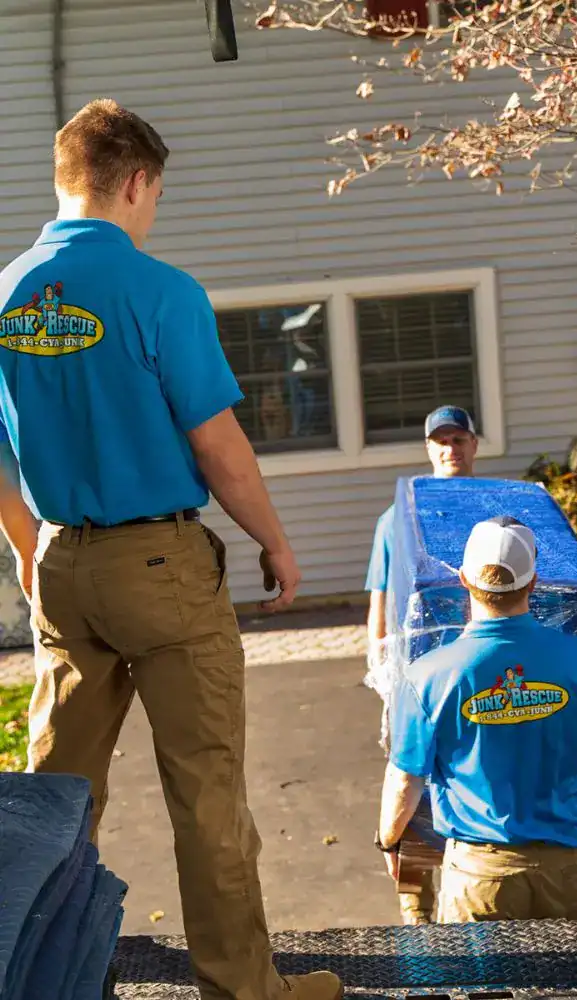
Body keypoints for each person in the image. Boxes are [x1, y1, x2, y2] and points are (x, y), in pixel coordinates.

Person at [0, 100, 342, 1000]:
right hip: (161, 568)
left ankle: (40, 981)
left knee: (54, 796)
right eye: (156, 196)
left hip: (61, 564)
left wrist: (31, 551)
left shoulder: (5, 294)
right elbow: (219, 447)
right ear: (137, 183)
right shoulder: (160, 292)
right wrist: (275, 542)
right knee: (205, 792)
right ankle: (242, 989)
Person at [376, 515, 577, 923]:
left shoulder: (427, 676)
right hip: (570, 870)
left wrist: (389, 841)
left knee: (481, 970)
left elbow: (405, 782)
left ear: (463, 579)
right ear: (533, 583)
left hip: (480, 878)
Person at [365, 404, 478, 924]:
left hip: (477, 665)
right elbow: (380, 595)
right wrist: (380, 661)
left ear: (473, 445)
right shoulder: (398, 518)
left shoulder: (492, 510)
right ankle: (417, 912)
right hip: (417, 673)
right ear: (428, 449)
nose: (450, 449)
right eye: (441, 441)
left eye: (458, 440)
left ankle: (473, 893)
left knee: (469, 772)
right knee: (413, 777)